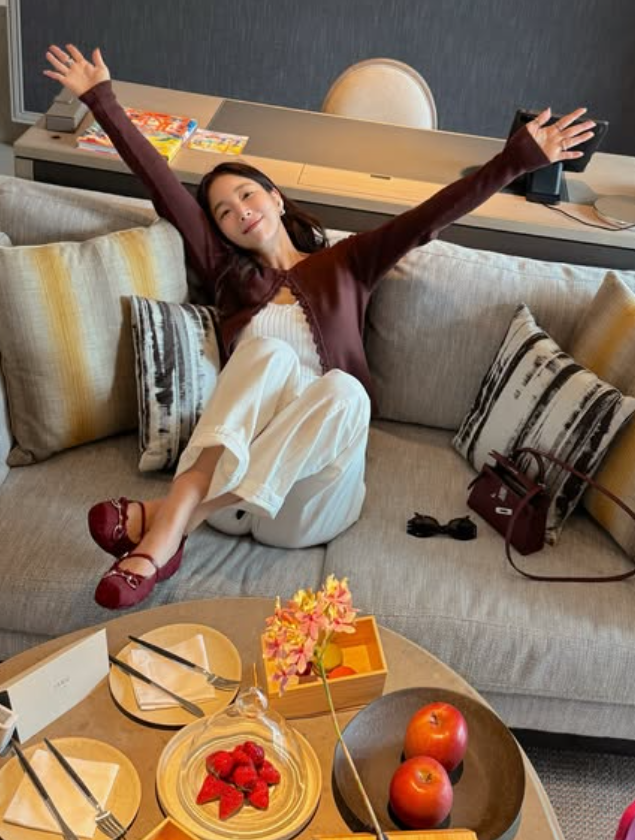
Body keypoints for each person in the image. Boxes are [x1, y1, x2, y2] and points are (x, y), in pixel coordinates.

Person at [44, 44, 595, 610]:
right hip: (236, 491)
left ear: (276, 199)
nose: (239, 211)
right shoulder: (228, 277)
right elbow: (161, 183)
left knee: (345, 391)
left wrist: (517, 160)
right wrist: (101, 99)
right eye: (224, 212)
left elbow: (430, 217)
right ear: (220, 232)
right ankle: (180, 523)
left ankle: (171, 523)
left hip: (308, 507)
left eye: (247, 195)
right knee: (269, 356)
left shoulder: (348, 261)